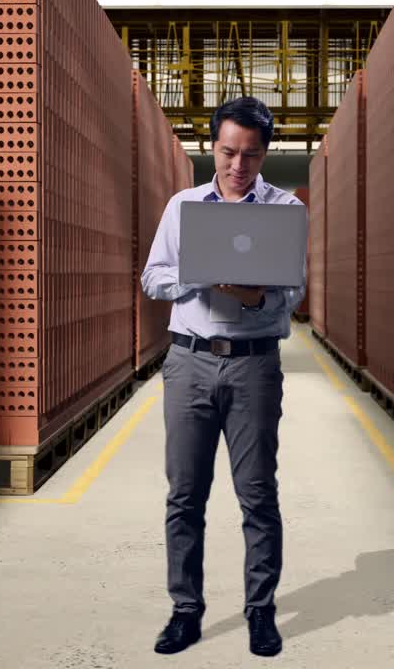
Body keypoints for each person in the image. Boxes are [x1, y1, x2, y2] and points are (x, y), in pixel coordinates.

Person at [140, 96, 305, 658]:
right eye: (229, 152)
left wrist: (256, 295)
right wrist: (199, 275)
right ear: (212, 146)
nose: (239, 165)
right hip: (189, 361)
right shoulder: (183, 206)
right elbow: (152, 278)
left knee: (257, 494)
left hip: (254, 364)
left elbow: (294, 290)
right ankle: (185, 611)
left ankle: (260, 611)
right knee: (185, 494)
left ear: (265, 153)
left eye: (251, 155)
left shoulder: (285, 209)